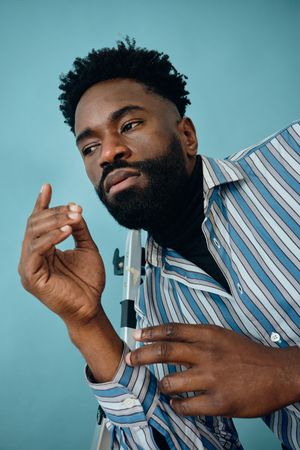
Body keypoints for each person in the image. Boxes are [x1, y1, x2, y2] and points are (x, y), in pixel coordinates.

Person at [18, 38, 300, 450]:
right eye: (90, 147)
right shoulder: (156, 313)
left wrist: (287, 371)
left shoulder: (292, 159)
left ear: (187, 134)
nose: (108, 153)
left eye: (129, 125)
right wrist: (86, 322)